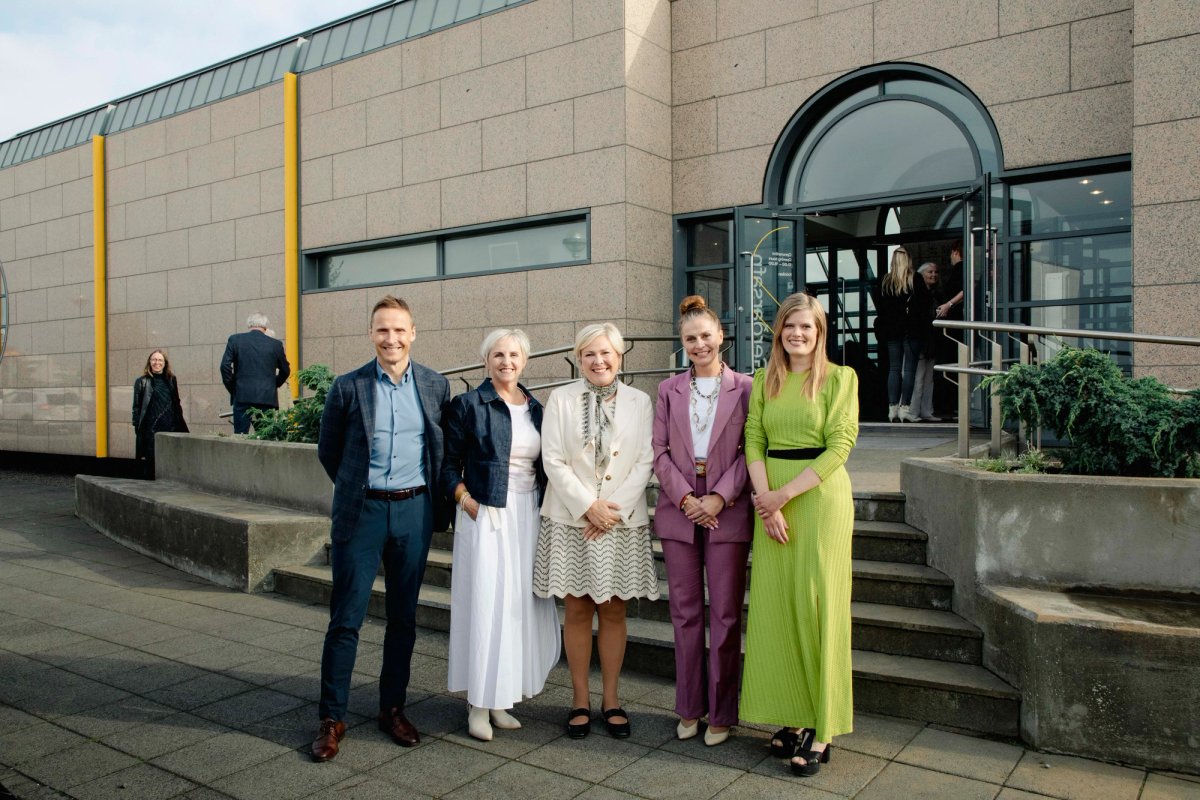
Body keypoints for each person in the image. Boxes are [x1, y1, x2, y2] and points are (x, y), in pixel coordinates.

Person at [311, 295, 451, 762]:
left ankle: (392, 709)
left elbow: (438, 448)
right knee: (346, 618)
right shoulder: (348, 386)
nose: (391, 339)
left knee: (403, 618)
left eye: (399, 330)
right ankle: (332, 718)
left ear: (413, 333)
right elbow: (329, 451)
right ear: (371, 334)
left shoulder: (434, 385)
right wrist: (358, 491)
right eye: (382, 330)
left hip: (414, 512)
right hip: (363, 513)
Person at [739, 292, 859, 778]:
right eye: (790, 326)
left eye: (806, 326)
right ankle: (793, 714)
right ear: (779, 332)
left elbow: (840, 445)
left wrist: (782, 496)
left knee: (817, 607)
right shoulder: (764, 380)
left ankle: (822, 727)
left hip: (817, 500)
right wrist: (764, 500)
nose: (797, 334)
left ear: (819, 331)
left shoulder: (840, 378)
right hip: (769, 501)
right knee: (780, 609)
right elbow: (753, 438)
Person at [533, 323, 657, 740]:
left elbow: (644, 460)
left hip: (621, 520)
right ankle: (580, 699)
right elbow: (552, 459)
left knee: (615, 610)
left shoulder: (640, 401)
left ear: (619, 356)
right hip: (572, 519)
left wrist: (610, 512)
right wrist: (588, 507)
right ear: (578, 358)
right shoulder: (561, 398)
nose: (598, 361)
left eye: (606, 353)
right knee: (577, 609)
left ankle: (612, 699)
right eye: (589, 354)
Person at [440, 329, 561, 742]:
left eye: (513, 355)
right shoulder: (467, 405)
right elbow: (446, 464)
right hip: (486, 514)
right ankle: (478, 702)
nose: (506, 362)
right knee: (485, 604)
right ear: (486, 360)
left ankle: (500, 698)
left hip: (528, 514)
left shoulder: (537, 409)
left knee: (515, 607)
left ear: (524, 360)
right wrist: (465, 500)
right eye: (497, 355)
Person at [652, 296, 752, 747]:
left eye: (706, 336)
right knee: (685, 614)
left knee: (726, 615)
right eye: (690, 338)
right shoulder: (668, 389)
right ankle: (690, 707)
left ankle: (723, 713)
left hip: (727, 508)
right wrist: (687, 498)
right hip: (680, 509)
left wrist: (719, 497)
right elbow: (658, 452)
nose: (699, 344)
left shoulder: (746, 388)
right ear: (683, 342)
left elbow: (753, 450)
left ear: (721, 336)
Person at [876, 246, 931, 423]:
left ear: (893, 261)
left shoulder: (886, 281)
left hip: (892, 330)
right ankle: (904, 409)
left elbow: (881, 307)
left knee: (894, 369)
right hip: (911, 330)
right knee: (909, 370)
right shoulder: (915, 279)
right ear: (908, 259)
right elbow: (925, 304)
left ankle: (891, 409)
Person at [220, 312, 291, 434]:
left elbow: (224, 366)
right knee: (265, 436)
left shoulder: (235, 340)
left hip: (242, 396)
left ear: (249, 325)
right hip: (266, 397)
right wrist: (273, 384)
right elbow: (285, 370)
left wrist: (234, 387)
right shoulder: (275, 344)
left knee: (240, 436)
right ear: (265, 326)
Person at [131, 349, 188, 478]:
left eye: (160, 360)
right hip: (151, 428)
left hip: (170, 426)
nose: (157, 362)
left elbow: (176, 402)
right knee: (151, 461)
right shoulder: (142, 381)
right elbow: (136, 407)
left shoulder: (171, 379)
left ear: (165, 363)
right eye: (154, 359)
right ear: (149, 362)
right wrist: (137, 427)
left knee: (171, 459)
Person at [910, 262, 943, 422]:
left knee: (929, 378)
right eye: (930, 272)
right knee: (918, 376)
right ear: (921, 275)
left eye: (935, 272)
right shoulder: (916, 294)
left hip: (933, 339)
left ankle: (926, 411)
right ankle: (913, 411)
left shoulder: (937, 294)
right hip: (920, 339)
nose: (933, 275)